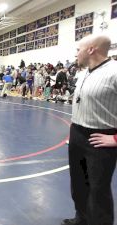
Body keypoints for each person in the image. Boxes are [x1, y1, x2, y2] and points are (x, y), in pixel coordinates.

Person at [62, 34, 117, 225]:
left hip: (101, 137)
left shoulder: (114, 72)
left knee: (98, 189)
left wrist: (116, 139)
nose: (76, 53)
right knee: (78, 183)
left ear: (91, 49)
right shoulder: (85, 72)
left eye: (79, 49)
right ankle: (82, 218)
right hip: (77, 133)